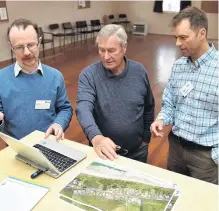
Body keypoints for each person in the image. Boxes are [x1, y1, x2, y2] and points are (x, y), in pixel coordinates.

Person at [150, 7, 218, 184]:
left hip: (206, 158)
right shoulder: (179, 66)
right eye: (176, 37)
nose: (177, 43)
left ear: (202, 33)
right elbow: (170, 103)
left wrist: (215, 156)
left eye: (183, 37)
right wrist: (161, 120)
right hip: (176, 150)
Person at [76, 24, 154, 163]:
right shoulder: (89, 75)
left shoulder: (139, 71)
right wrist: (96, 138)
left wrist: (145, 138)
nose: (106, 57)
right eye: (102, 50)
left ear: (124, 48)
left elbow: (149, 106)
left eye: (111, 50)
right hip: (103, 152)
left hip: (138, 151)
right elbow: (83, 109)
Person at [0, 18, 73, 140]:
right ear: (11, 47)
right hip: (16, 149)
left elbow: (65, 109)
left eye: (31, 45)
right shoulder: (1, 78)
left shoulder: (55, 76)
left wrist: (59, 123)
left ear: (39, 42)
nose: (27, 52)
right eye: (19, 47)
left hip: (49, 145)